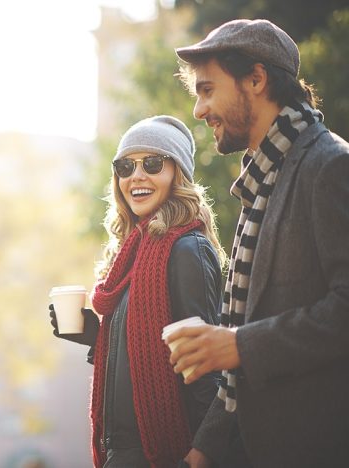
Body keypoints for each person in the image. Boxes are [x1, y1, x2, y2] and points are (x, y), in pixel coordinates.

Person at [167, 19, 349, 468]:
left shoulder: (329, 167)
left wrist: (240, 345)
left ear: (256, 78)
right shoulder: (262, 179)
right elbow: (240, 366)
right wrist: (206, 447)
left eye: (207, 90)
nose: (199, 110)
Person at [49, 115, 226, 468]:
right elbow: (144, 349)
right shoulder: (129, 256)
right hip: (123, 455)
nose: (137, 176)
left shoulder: (186, 249)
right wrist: (97, 338)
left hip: (164, 455)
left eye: (153, 163)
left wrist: (205, 451)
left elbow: (207, 366)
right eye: (126, 166)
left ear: (178, 174)